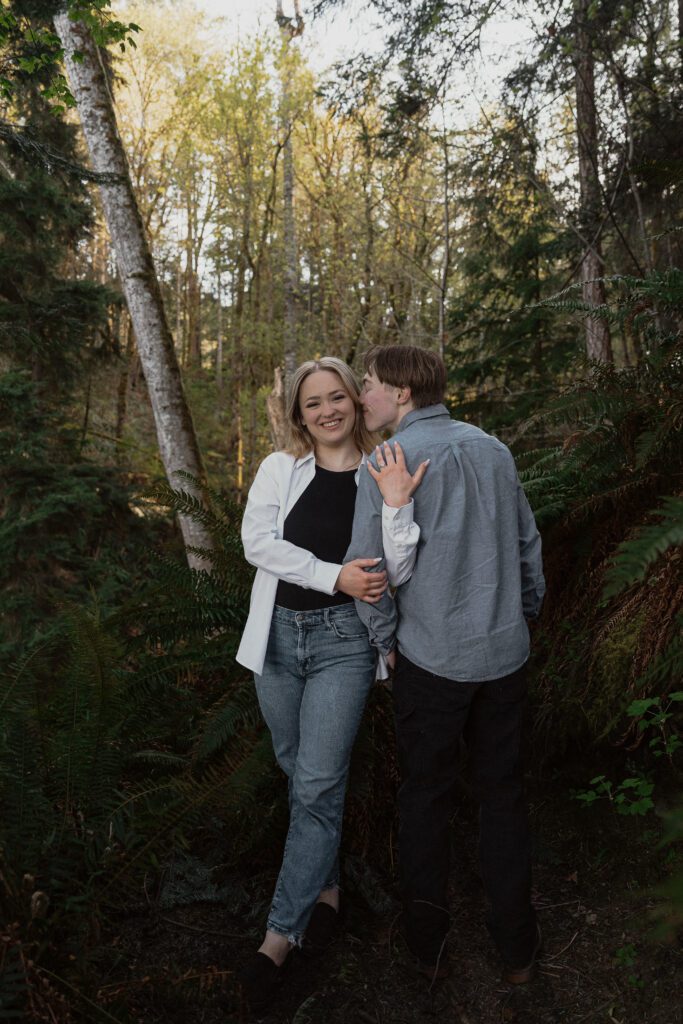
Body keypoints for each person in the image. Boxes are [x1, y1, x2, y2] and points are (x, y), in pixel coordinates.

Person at [345, 345, 545, 985]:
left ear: (403, 393)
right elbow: (526, 550)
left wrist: (386, 643)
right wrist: (520, 616)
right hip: (504, 655)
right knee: (504, 797)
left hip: (430, 661)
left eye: (370, 385)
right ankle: (518, 950)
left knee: (426, 800)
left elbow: (369, 573)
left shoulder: (383, 462)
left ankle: (426, 950)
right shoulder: (493, 449)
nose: (362, 397)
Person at [235, 356, 428, 1011]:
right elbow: (256, 544)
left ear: (354, 400)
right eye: (312, 402)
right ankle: (326, 891)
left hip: (345, 644)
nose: (326, 410)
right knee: (301, 773)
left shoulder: (382, 469)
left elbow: (396, 568)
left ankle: (278, 937)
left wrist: (398, 511)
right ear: (299, 413)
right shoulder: (279, 471)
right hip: (277, 642)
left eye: (336, 397)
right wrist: (332, 574)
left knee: (316, 784)